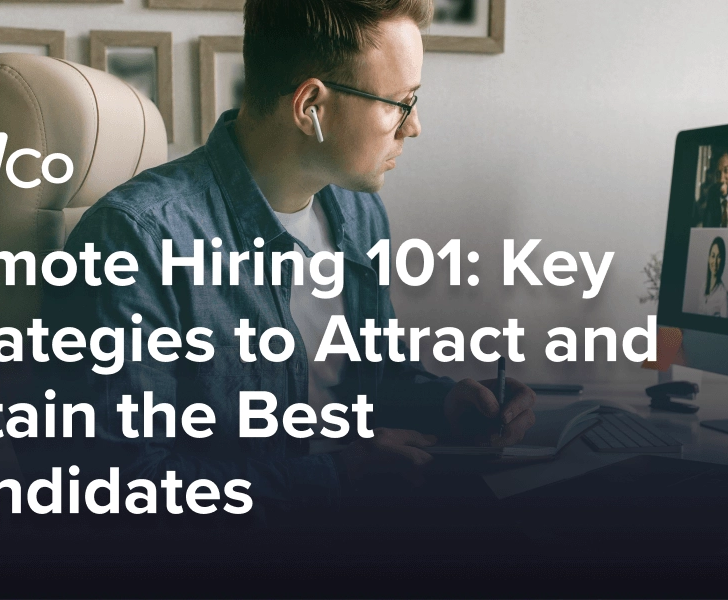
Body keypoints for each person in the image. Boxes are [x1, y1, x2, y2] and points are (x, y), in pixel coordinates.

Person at [41, 0, 537, 508]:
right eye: (400, 103)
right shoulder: (138, 239)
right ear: (310, 109)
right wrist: (337, 476)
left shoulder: (360, 212)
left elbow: (374, 377)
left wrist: (447, 402)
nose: (413, 128)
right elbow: (122, 484)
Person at [700, 237, 728, 318]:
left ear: (722, 261)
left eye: (719, 257)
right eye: (713, 256)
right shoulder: (703, 287)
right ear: (709, 258)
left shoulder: (723, 295)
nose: (715, 261)